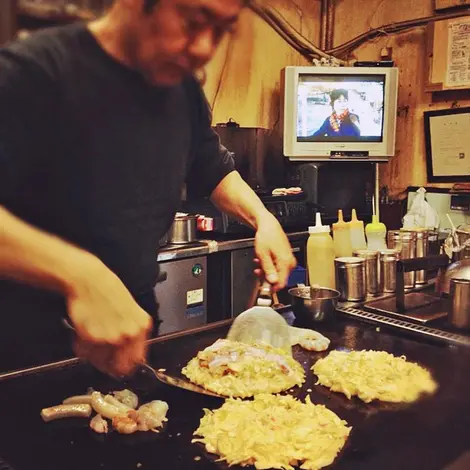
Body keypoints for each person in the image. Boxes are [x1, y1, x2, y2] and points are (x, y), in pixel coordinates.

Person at [0, 0, 296, 376]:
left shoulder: (182, 90)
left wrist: (263, 220)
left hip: (134, 334)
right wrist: (80, 275)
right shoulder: (34, 72)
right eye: (193, 20)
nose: (206, 48)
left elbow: (213, 169)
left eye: (222, 29)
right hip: (28, 355)